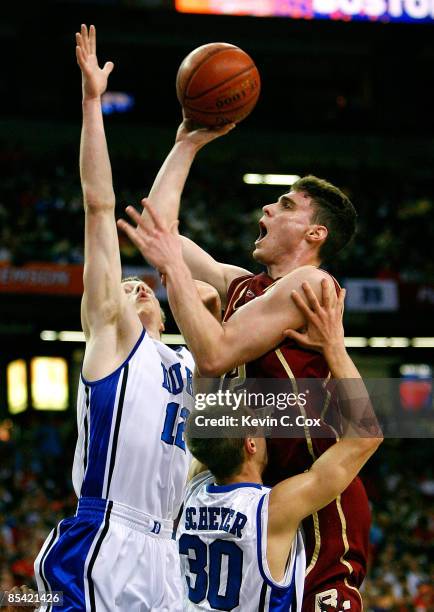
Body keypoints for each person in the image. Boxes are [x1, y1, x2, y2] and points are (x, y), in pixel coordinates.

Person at [117, 121, 370, 610]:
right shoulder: (244, 288)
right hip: (269, 497)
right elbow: (159, 230)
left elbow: (214, 352)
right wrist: (186, 143)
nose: (268, 208)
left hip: (321, 504)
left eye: (287, 206)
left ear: (315, 234)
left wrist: (174, 272)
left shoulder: (310, 285)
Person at [33, 25, 219, 612]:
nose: (133, 283)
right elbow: (102, 205)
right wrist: (93, 102)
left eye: (145, 284)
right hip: (107, 538)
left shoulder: (195, 364)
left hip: (170, 553)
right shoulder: (115, 337)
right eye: (126, 282)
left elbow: (214, 304)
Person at [177, 282, 382, 611]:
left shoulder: (190, 493)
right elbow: (367, 435)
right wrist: (334, 347)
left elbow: (208, 422)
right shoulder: (273, 510)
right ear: (250, 444)